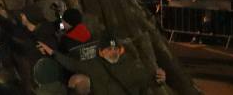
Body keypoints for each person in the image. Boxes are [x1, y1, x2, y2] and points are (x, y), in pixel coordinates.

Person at [37, 34, 167, 95]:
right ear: (100, 52)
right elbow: (71, 64)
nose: (113, 52)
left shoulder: (130, 65)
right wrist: (52, 52)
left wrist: (160, 79)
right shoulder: (92, 65)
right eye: (109, 49)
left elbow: (148, 80)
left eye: (115, 49)